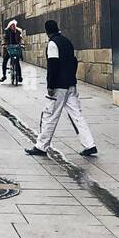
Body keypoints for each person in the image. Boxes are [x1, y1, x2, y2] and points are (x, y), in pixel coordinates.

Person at [26, 19, 97, 159]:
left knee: (50, 115)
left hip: (59, 86)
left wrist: (50, 85)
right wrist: (71, 78)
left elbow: (53, 66)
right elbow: (74, 61)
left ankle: (41, 146)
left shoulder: (53, 44)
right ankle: (89, 144)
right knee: (77, 115)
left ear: (47, 31)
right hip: (71, 84)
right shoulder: (67, 41)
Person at [1, 19, 24, 85]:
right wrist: (4, 44)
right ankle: (4, 75)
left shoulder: (18, 31)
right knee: (5, 60)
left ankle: (19, 76)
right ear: (10, 26)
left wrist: (22, 44)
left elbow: (21, 39)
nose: (13, 27)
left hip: (16, 48)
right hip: (9, 48)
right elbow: (4, 38)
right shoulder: (7, 32)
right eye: (12, 26)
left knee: (17, 62)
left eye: (14, 25)